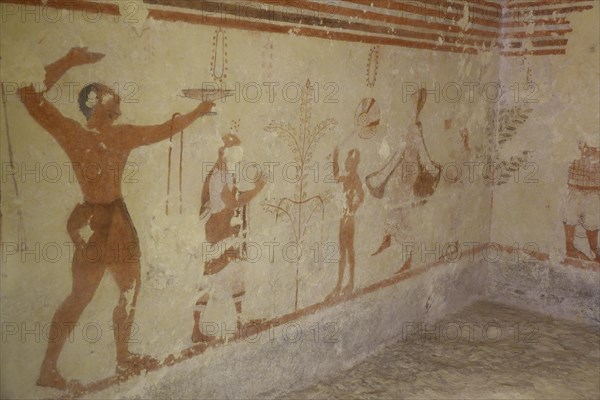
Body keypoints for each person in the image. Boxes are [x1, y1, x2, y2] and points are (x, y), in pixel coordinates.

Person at [17, 47, 217, 389]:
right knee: (82, 296)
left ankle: (122, 358)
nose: (118, 105)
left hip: (114, 221)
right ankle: (49, 369)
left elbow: (163, 129)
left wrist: (198, 112)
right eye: (112, 99)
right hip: (100, 222)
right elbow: (28, 93)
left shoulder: (109, 135)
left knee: (129, 288)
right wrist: (69, 60)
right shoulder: (76, 133)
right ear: (95, 102)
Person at [192, 134, 266, 343]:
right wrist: (258, 189)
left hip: (224, 232)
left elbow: (233, 199)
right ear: (227, 155)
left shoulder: (225, 174)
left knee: (233, 274)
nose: (238, 161)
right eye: (236, 156)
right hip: (217, 233)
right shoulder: (218, 176)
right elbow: (232, 203)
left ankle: (239, 321)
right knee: (209, 277)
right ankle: (198, 328)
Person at [368, 89, 440, 259]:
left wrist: (431, 169)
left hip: (409, 172)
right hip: (401, 170)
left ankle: (408, 253)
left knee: (402, 210)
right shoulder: (409, 127)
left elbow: (421, 151)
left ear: (416, 107)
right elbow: (398, 153)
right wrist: (383, 173)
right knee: (395, 207)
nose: (410, 108)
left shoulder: (414, 128)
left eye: (413, 104)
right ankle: (389, 239)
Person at [325, 147, 364, 300]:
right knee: (344, 251)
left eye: (349, 161)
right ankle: (342, 283)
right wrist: (335, 157)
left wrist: (353, 208)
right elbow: (336, 176)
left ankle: (347, 283)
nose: (346, 163)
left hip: (348, 219)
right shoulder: (349, 177)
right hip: (345, 217)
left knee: (347, 251)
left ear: (354, 163)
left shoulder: (354, 177)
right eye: (346, 161)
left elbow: (361, 195)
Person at [562, 141, 600, 263]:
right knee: (570, 218)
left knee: (592, 224)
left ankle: (595, 253)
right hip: (575, 187)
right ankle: (570, 249)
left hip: (594, 190)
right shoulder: (576, 140)